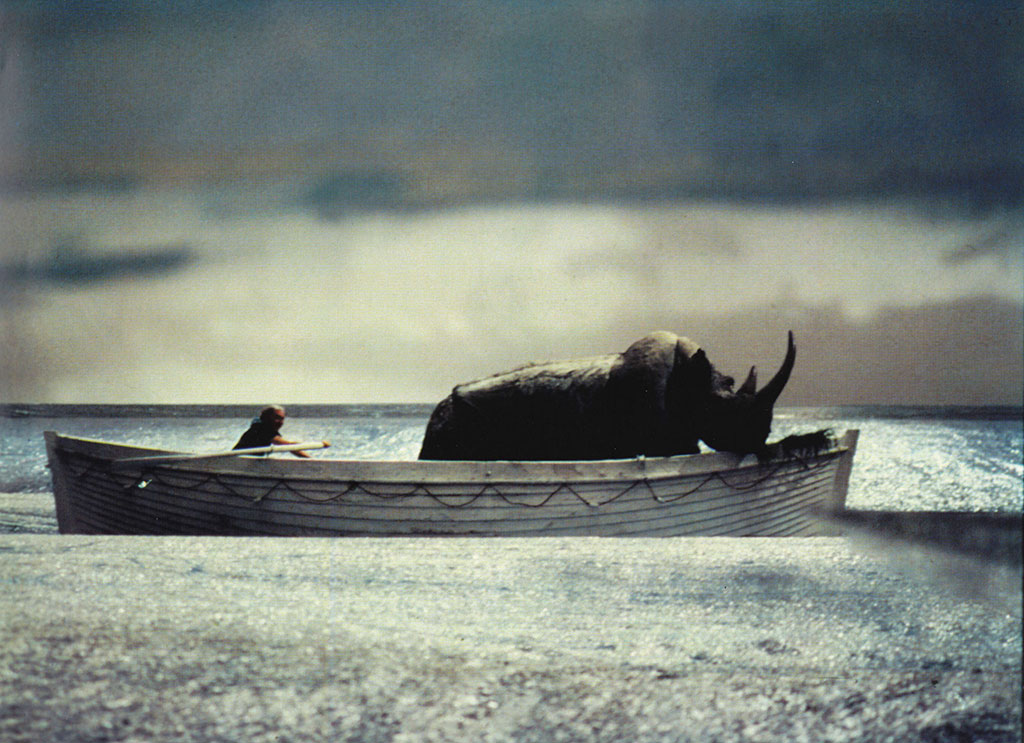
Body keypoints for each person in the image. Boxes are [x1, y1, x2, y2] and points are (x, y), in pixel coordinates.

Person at [233, 405, 325, 458]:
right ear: (266, 418)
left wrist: (311, 460)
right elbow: (288, 446)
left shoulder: (264, 428)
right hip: (236, 463)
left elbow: (290, 446)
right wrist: (312, 459)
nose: (280, 422)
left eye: (282, 419)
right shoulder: (261, 429)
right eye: (277, 418)